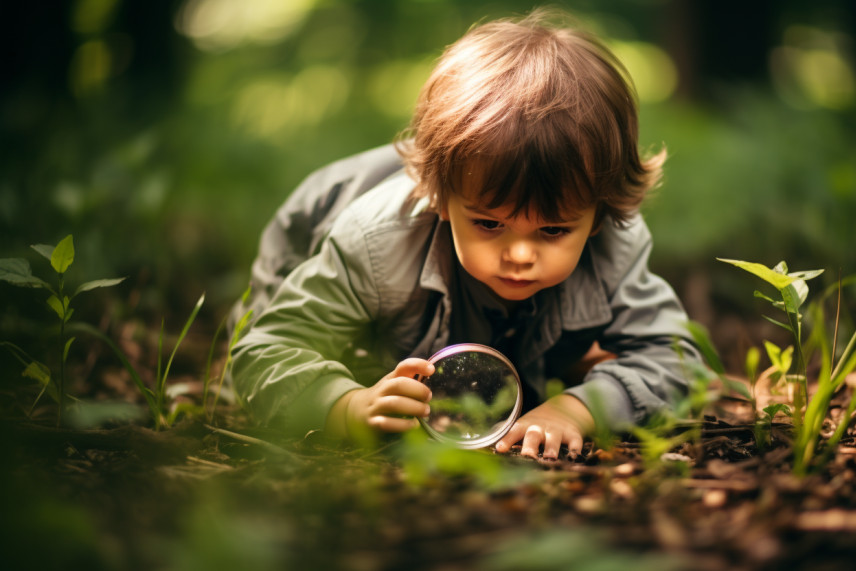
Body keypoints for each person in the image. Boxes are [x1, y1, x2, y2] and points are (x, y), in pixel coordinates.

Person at [230, 8, 701, 459]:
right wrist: (346, 405)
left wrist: (576, 409)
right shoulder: (374, 243)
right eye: (489, 223)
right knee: (320, 358)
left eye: (553, 229)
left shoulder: (614, 241)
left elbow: (677, 360)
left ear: (598, 216)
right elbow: (266, 348)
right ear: (442, 201)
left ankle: (537, 353)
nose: (519, 254)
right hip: (314, 239)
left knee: (564, 367)